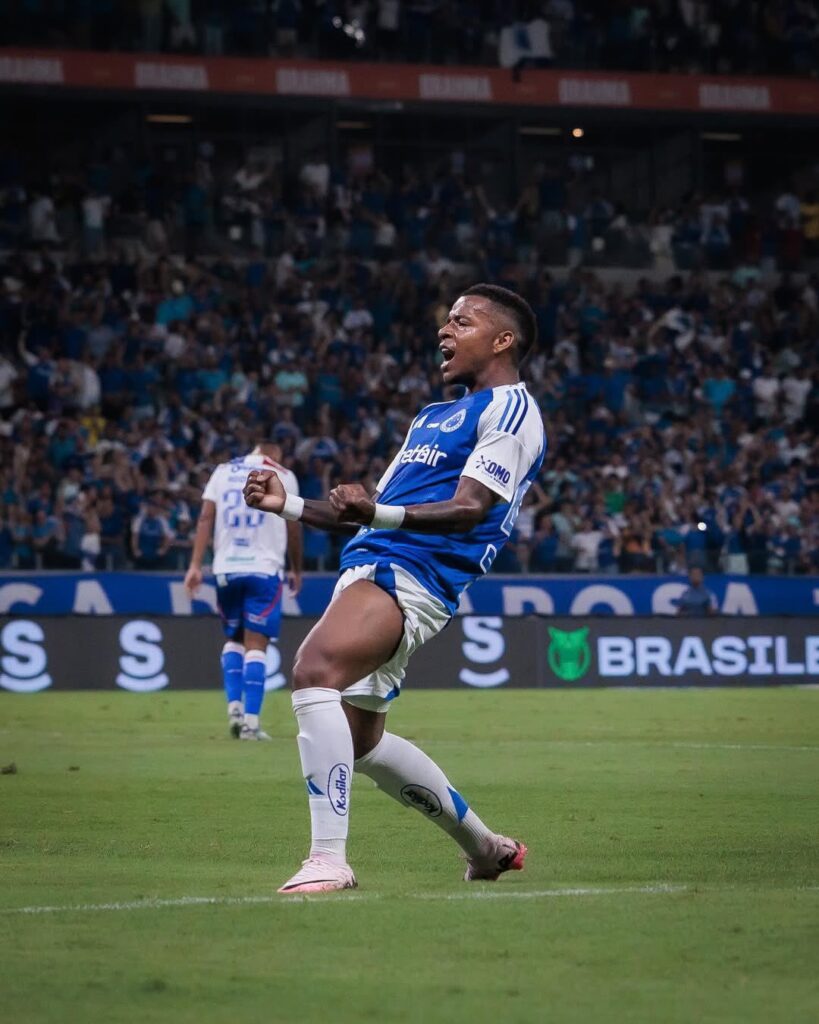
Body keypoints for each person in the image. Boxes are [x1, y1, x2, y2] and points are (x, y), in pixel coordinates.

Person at [244, 283, 546, 894]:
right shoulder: (431, 417)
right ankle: (486, 848)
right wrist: (290, 505)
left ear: (502, 340)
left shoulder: (511, 410)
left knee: (313, 670)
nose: (445, 331)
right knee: (360, 742)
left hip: (412, 574)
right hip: (374, 563)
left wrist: (375, 515)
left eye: (462, 322)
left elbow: (469, 508)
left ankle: (328, 858)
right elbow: (370, 510)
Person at [185, 442, 303, 740]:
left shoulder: (222, 471)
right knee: (256, 644)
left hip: (226, 568)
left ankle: (234, 710)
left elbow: (205, 518)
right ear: (276, 453)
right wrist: (296, 568)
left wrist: (196, 565)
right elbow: (293, 525)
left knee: (233, 639)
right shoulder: (283, 475)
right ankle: (251, 723)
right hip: (263, 568)